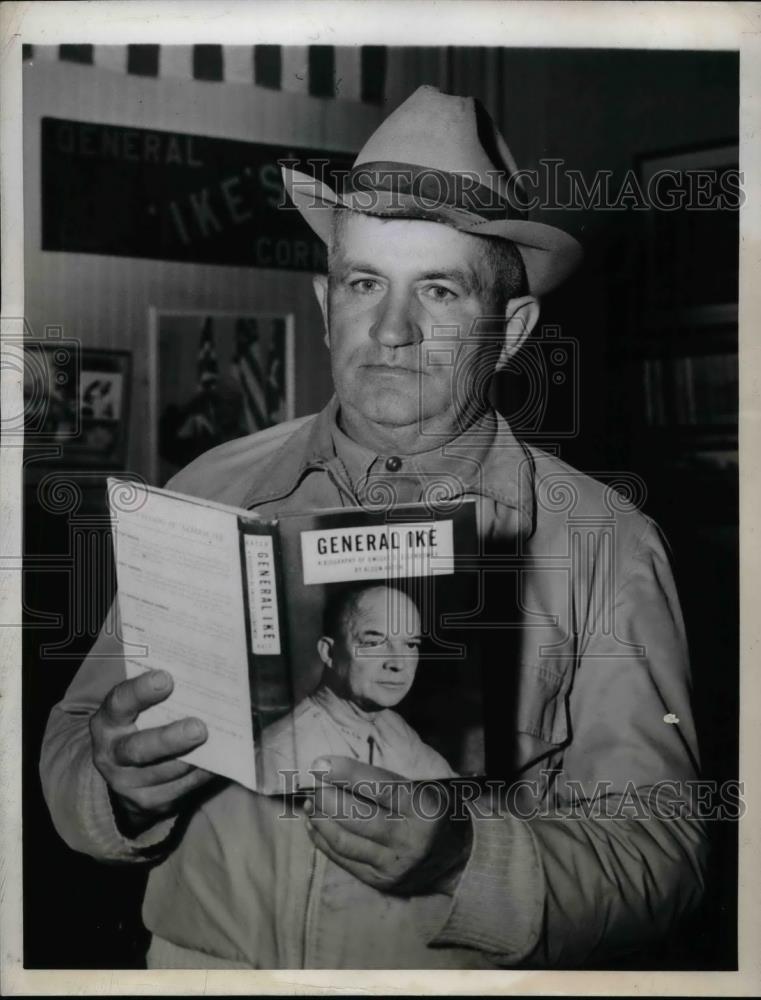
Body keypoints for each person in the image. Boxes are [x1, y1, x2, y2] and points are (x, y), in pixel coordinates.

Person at [40, 85, 706, 969]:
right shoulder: (210, 485)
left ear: (508, 331)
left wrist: (469, 856)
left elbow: (662, 856)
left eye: (437, 289)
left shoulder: (604, 542)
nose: (390, 329)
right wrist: (116, 788)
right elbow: (74, 736)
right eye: (364, 283)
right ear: (325, 303)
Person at [255, 583, 456, 794]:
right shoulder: (281, 756)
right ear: (329, 653)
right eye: (373, 643)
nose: (398, 663)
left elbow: (458, 795)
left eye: (411, 645)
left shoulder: (394, 728)